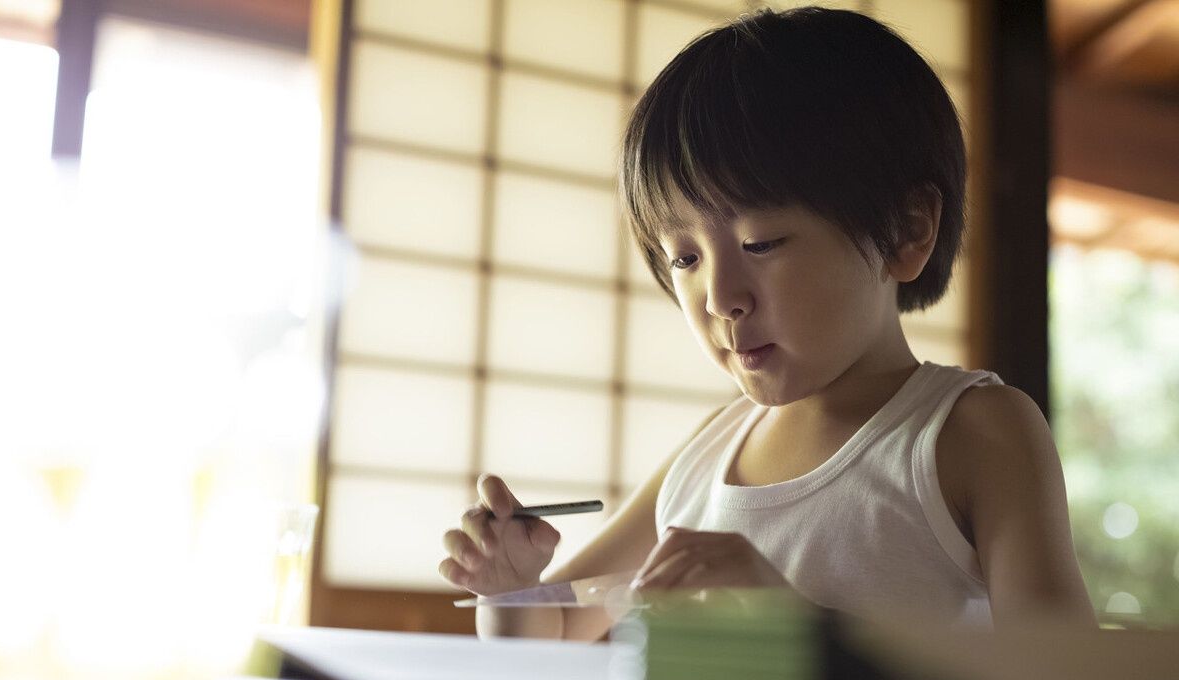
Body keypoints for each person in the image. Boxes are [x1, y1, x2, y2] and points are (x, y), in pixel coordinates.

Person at [438, 6, 1096, 640]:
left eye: (761, 243)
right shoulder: (711, 451)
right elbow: (558, 631)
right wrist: (511, 588)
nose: (721, 297)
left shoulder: (971, 434)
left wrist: (796, 626)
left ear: (907, 228)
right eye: (685, 258)